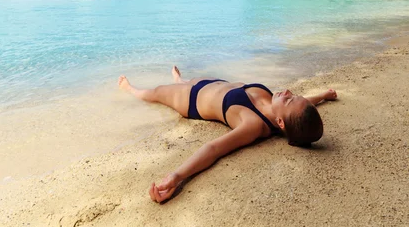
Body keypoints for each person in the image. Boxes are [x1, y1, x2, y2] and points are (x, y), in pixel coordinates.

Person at [118, 66, 337, 203]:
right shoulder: (284, 111)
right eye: (294, 95)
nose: (288, 92)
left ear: (280, 123)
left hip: (191, 99)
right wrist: (324, 95)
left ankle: (131, 90)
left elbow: (213, 149)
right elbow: (302, 105)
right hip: (215, 84)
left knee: (155, 92)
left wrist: (176, 176)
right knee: (190, 79)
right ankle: (180, 80)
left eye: (288, 99)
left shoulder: (253, 124)